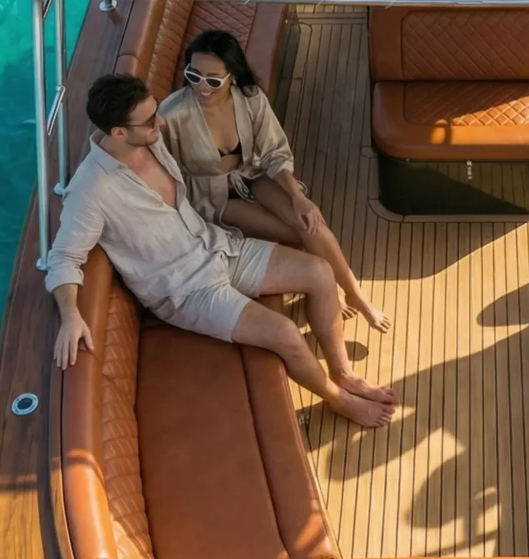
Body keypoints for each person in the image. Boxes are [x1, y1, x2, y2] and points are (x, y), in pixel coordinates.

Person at [47, 74, 396, 429]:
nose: (161, 122)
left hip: (216, 245)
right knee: (286, 333)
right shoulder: (91, 190)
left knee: (320, 272)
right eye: (151, 120)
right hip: (185, 290)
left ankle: (344, 373)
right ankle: (340, 401)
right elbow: (63, 257)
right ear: (118, 132)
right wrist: (71, 314)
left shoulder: (148, 142)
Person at [159, 29, 390, 332]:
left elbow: (274, 153)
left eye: (213, 79)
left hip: (252, 175)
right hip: (213, 196)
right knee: (293, 232)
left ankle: (354, 292)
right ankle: (321, 287)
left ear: (232, 76)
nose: (202, 86)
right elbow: (162, 169)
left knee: (308, 220)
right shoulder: (173, 113)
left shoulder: (251, 99)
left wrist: (299, 197)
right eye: (194, 74)